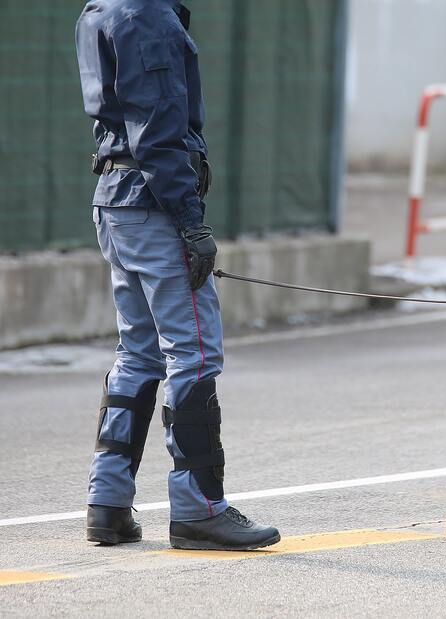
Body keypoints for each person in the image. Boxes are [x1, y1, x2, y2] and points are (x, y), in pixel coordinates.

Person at [75, 0, 280, 550]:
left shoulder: (102, 9)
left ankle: (108, 504)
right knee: (193, 355)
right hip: (153, 203)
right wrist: (191, 224)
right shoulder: (149, 17)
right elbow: (158, 128)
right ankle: (198, 509)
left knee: (138, 352)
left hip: (116, 201)